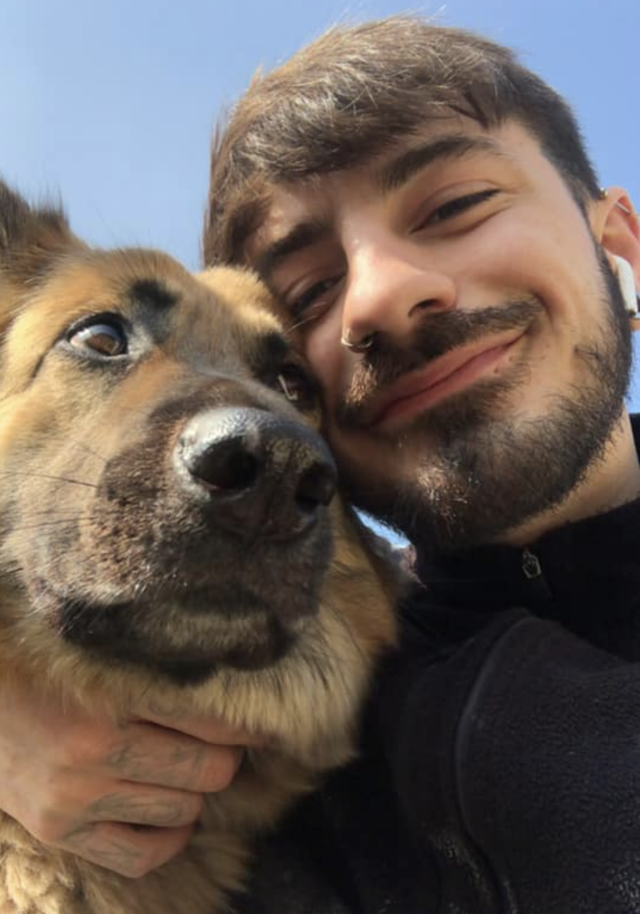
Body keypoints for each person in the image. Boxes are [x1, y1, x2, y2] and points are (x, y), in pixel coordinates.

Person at [2, 14, 640, 912]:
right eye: (312, 293)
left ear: (619, 243)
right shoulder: (290, 776)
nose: (379, 295)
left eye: (455, 206)